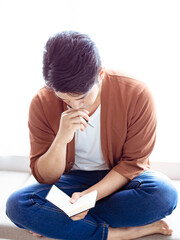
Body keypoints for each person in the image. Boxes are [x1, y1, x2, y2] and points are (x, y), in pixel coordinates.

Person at [6, 31, 178, 240]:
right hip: (70, 182)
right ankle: (118, 234)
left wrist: (88, 197)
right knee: (18, 205)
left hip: (120, 180)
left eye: (82, 97)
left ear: (100, 73)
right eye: (65, 98)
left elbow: (133, 164)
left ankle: (61, 226)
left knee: (164, 195)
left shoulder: (136, 93)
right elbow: (45, 177)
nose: (74, 105)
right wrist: (61, 139)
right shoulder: (42, 102)